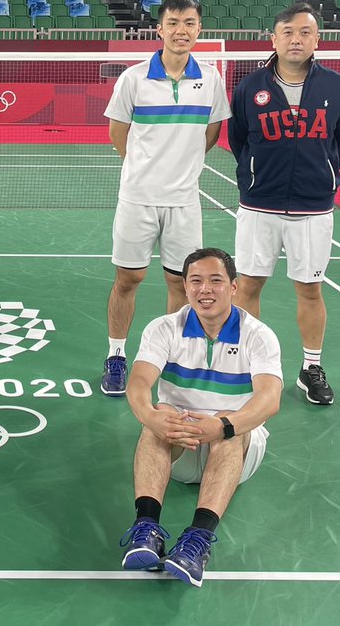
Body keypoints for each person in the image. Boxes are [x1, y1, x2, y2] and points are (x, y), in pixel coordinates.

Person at [119, 247, 282, 587]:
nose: (204, 289)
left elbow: (269, 400)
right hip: (179, 443)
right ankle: (146, 529)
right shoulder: (164, 328)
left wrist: (223, 425)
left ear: (234, 287)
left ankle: (197, 542)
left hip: (236, 449)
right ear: (186, 286)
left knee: (230, 422)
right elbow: (138, 383)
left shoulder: (258, 335)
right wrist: (150, 416)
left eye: (215, 281)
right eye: (195, 281)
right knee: (159, 414)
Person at [100, 0, 231, 396]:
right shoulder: (134, 77)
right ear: (159, 28)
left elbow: (211, 133)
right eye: (173, 23)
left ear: (199, 30)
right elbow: (117, 132)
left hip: (184, 201)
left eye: (189, 23)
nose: (181, 31)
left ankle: (166, 356)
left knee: (181, 283)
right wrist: (145, 167)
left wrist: (180, 167)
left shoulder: (210, 79)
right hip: (138, 197)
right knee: (128, 278)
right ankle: (117, 356)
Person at [228, 2, 340, 405]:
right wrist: (256, 175)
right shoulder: (250, 88)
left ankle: (311, 367)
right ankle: (245, 362)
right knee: (247, 284)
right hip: (259, 206)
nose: (296, 39)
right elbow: (239, 140)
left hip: (313, 209)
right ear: (274, 38)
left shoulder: (338, 89)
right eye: (288, 32)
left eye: (304, 32)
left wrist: (322, 175)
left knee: (310, 288)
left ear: (317, 39)